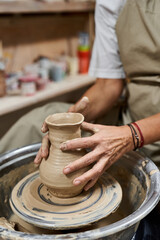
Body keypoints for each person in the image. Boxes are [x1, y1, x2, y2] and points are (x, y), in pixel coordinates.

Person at [34, 0, 160, 192]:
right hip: (133, 115)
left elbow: (131, 135)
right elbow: (107, 84)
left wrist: (131, 136)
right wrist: (72, 120)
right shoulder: (112, 2)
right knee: (34, 123)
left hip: (141, 129)